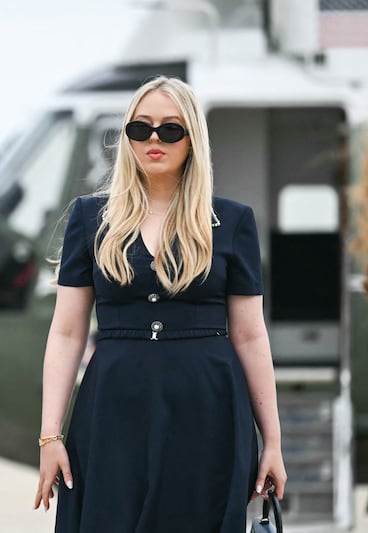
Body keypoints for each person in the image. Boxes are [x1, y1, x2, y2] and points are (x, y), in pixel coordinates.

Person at [34, 76, 287, 532]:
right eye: (140, 128)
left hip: (208, 407)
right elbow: (67, 331)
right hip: (113, 406)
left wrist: (272, 440)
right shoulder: (90, 218)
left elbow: (250, 334)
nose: (154, 139)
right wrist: (50, 435)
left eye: (170, 129)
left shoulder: (232, 221)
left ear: (192, 138)